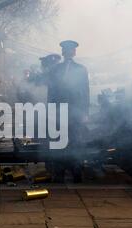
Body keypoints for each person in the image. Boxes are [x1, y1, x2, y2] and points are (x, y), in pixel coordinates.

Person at [48, 40, 90, 183]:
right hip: (59, 111)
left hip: (76, 112)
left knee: (76, 142)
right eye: (66, 50)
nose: (69, 52)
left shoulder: (81, 69)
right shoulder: (55, 70)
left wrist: (85, 113)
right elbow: (51, 92)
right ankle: (59, 173)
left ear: (74, 52)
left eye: (71, 50)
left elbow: (85, 93)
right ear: (63, 52)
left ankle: (77, 172)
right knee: (59, 142)